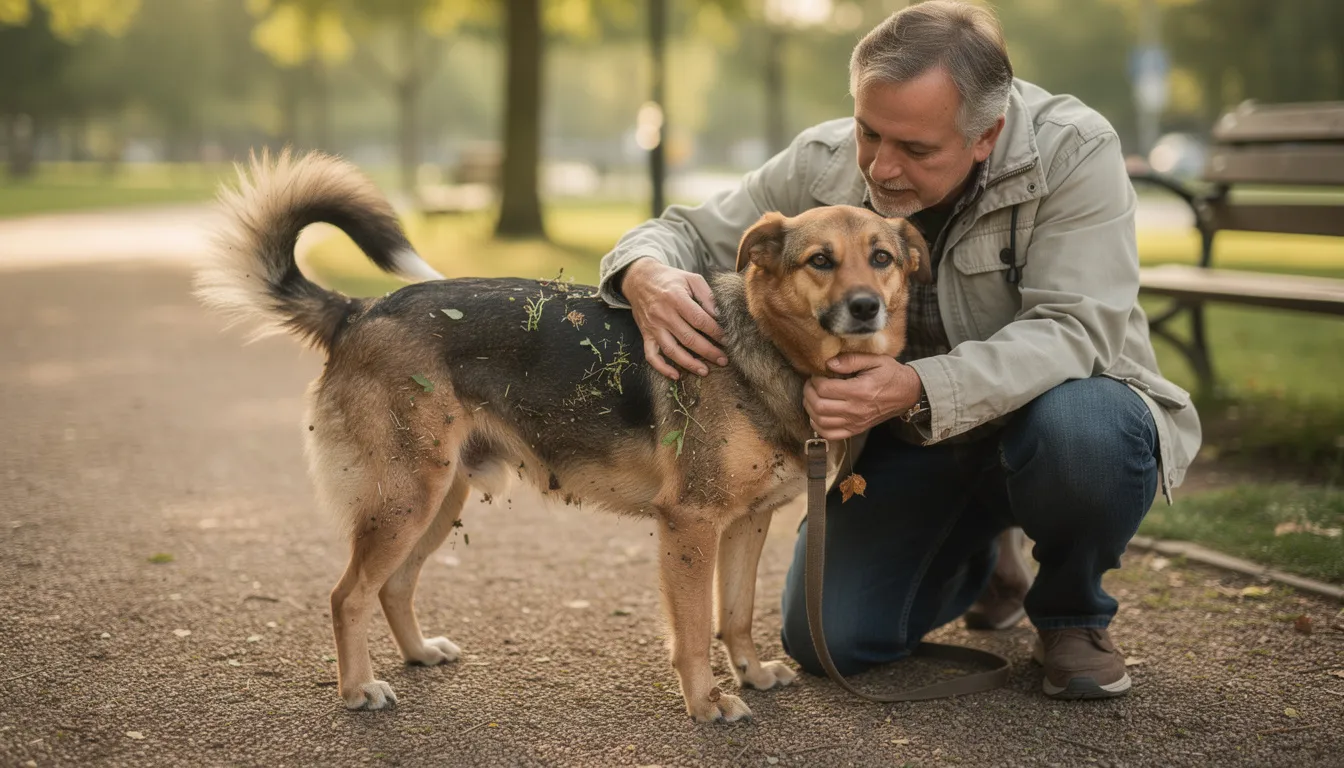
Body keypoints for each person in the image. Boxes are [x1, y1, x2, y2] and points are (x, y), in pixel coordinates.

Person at [597, 0, 1201, 700]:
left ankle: (1072, 614)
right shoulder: (822, 158)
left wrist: (916, 388)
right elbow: (686, 232)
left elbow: (1075, 329)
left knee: (1085, 434)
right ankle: (985, 554)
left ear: (986, 135)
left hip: (1052, 418)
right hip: (911, 445)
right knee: (834, 640)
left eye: (915, 149)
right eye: (868, 132)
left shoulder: (1074, 152)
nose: (881, 168)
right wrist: (643, 272)